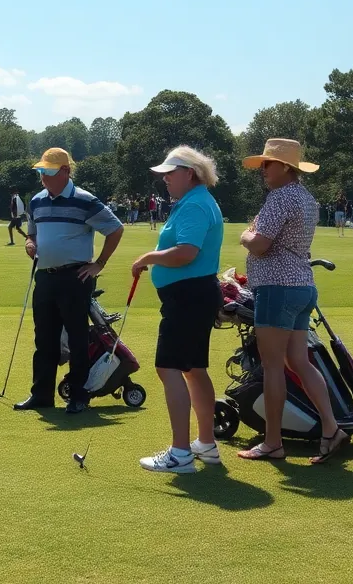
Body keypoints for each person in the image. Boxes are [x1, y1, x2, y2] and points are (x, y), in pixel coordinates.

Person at [236, 139, 347, 463]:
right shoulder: (305, 198)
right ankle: (330, 428)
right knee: (299, 361)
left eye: (267, 165)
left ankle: (272, 442)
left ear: (285, 167)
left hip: (276, 287)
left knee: (272, 367)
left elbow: (259, 244)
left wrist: (245, 235)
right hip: (301, 286)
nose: (263, 172)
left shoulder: (280, 197)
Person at [131, 147, 224, 473]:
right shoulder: (195, 201)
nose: (166, 179)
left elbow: (186, 252)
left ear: (191, 173)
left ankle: (181, 453)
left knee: (168, 367)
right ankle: (206, 444)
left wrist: (148, 258)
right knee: (193, 369)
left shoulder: (195, 204)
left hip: (188, 297)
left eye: (171, 173)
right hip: (193, 295)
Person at [15, 148, 124, 414]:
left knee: (77, 338)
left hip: (76, 277)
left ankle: (78, 396)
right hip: (45, 277)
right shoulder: (37, 201)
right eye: (41, 171)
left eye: (48, 172)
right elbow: (32, 233)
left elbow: (115, 228)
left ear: (65, 171)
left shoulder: (85, 200)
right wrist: (30, 243)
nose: (43, 177)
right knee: (44, 339)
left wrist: (99, 264)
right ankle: (41, 395)